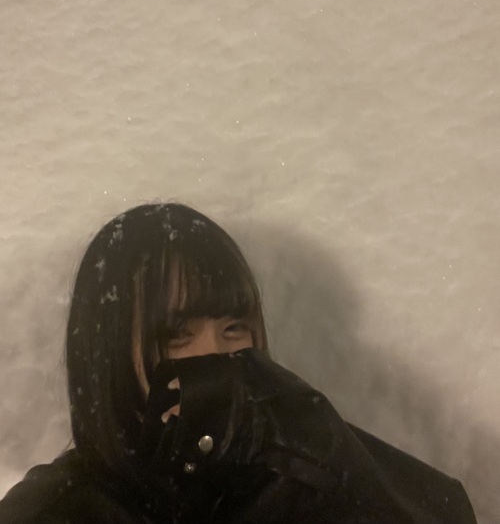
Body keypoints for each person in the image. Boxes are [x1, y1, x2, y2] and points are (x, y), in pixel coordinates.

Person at [0, 203, 477, 524]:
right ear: (107, 352)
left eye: (234, 328)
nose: (216, 355)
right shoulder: (58, 511)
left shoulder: (291, 469)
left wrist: (334, 460)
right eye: (177, 334)